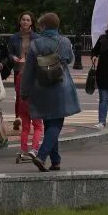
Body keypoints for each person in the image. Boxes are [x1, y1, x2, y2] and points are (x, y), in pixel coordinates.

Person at [21, 12, 80, 172]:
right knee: (56, 124)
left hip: (41, 88)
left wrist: (24, 91)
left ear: (44, 26)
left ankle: (56, 161)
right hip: (60, 87)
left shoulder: (35, 44)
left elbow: (28, 70)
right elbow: (70, 59)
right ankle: (42, 156)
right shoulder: (64, 41)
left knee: (49, 124)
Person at [8, 12, 36, 130]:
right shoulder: (14, 37)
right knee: (19, 95)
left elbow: (38, 53)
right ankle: (18, 119)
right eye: (23, 19)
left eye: (28, 20)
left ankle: (33, 120)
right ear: (20, 22)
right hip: (19, 70)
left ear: (31, 23)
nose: (25, 22)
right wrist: (13, 57)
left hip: (32, 70)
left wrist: (29, 58)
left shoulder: (36, 37)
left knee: (33, 96)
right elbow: (9, 52)